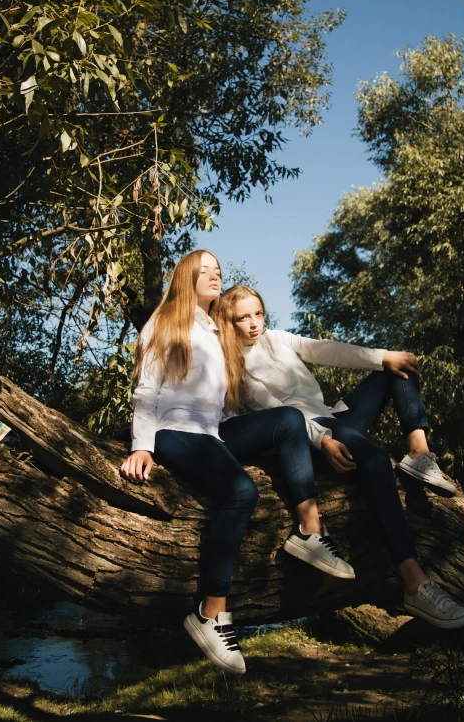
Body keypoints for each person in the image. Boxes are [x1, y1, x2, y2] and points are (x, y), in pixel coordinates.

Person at [119, 250, 353, 676]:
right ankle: (211, 614)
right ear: (186, 277)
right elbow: (147, 389)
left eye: (218, 271)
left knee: (286, 420)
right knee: (241, 491)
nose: (214, 275)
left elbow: (222, 401)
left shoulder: (216, 329)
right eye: (204, 270)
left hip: (215, 430)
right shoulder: (165, 321)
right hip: (176, 432)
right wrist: (142, 446)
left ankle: (310, 531)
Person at [216, 285, 464, 630]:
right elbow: (277, 413)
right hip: (308, 436)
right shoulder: (233, 366)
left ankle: (419, 454)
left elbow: (325, 350)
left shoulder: (276, 339)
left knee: (398, 367)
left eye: (258, 314)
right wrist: (322, 440)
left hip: (331, 417)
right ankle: (415, 583)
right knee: (377, 460)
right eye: (242, 317)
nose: (253, 323)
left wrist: (383, 356)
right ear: (227, 322)